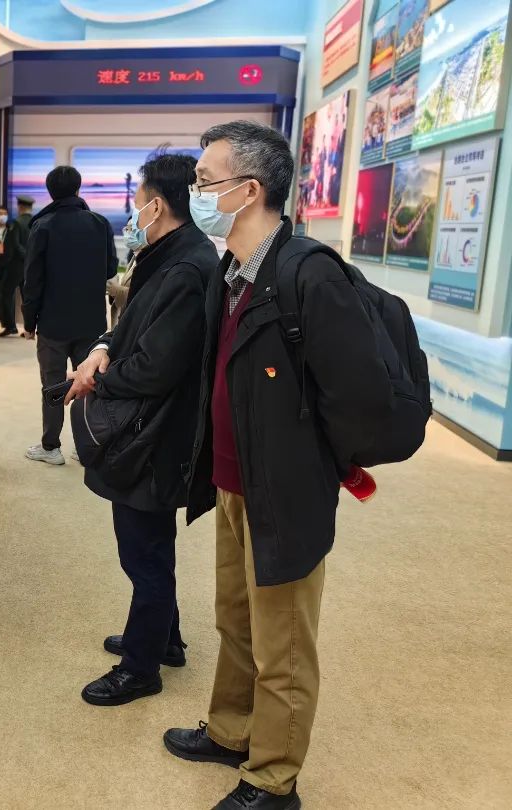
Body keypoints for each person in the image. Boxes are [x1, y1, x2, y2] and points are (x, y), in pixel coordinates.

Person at [163, 121, 393, 810]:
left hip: (285, 491)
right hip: (232, 481)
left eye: (206, 181)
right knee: (236, 620)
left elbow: (358, 397)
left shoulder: (308, 273)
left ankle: (274, 778)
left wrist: (317, 464)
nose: (197, 192)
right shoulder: (230, 271)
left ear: (250, 190)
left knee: (283, 643)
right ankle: (232, 729)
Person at [66, 153, 217, 707]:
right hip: (155, 429)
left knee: (143, 554)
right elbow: (133, 327)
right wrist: (103, 348)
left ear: (156, 204)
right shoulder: (167, 256)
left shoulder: (186, 269)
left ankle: (140, 667)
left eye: (138, 202)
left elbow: (156, 367)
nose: (133, 212)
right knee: (151, 544)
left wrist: (99, 381)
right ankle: (163, 638)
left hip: (155, 436)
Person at [22, 165, 117, 466]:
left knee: (53, 384)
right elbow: (110, 268)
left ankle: (51, 447)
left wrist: (29, 322)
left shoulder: (43, 226)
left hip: (52, 323)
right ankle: (85, 446)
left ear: (50, 192)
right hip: (91, 321)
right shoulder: (100, 223)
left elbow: (33, 280)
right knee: (87, 382)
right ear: (78, 189)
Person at [0, 205, 24, 337]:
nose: (2, 216)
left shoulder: (11, 230)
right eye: (0, 213)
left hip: (9, 265)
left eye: (4, 214)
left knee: (7, 294)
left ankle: (10, 325)